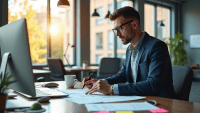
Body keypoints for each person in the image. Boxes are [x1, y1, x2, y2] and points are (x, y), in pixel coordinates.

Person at [83, 6, 177, 99]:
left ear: (134, 25)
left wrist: (111, 89)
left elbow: (153, 84)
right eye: (115, 30)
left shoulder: (156, 46)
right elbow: (123, 75)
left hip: (161, 102)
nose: (117, 34)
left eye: (120, 28)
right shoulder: (129, 49)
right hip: (139, 100)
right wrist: (101, 83)